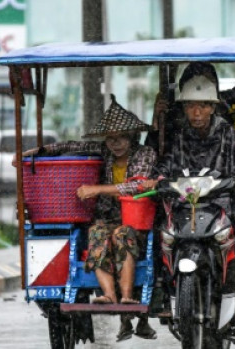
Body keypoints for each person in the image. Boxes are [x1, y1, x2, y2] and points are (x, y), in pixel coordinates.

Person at [20, 95, 158, 342]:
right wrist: (36, 152)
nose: (115, 144)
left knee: (121, 234)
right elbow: (71, 146)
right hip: (105, 218)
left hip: (134, 221)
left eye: (121, 138)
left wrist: (98, 190)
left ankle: (126, 297)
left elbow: (135, 187)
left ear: (132, 136)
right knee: (97, 233)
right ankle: (109, 295)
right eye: (111, 138)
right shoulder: (103, 152)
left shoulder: (145, 154)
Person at [150, 65, 235, 323]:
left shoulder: (227, 132)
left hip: (221, 202)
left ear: (213, 106)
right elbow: (165, 162)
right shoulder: (177, 135)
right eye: (191, 106)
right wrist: (157, 178)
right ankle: (165, 291)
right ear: (183, 106)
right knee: (161, 234)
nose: (197, 112)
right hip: (185, 205)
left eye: (202, 106)